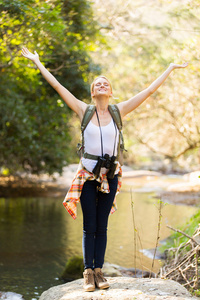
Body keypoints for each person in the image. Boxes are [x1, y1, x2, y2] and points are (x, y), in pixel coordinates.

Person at [21, 47, 188, 291]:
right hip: (88, 176)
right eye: (97, 83)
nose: (101, 85)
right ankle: (88, 272)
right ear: (92, 92)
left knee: (103, 226)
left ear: (110, 92)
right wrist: (37, 62)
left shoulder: (118, 111)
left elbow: (149, 91)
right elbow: (58, 87)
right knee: (90, 226)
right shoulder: (83, 110)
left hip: (111, 175)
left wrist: (170, 68)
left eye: (105, 83)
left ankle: (99, 271)